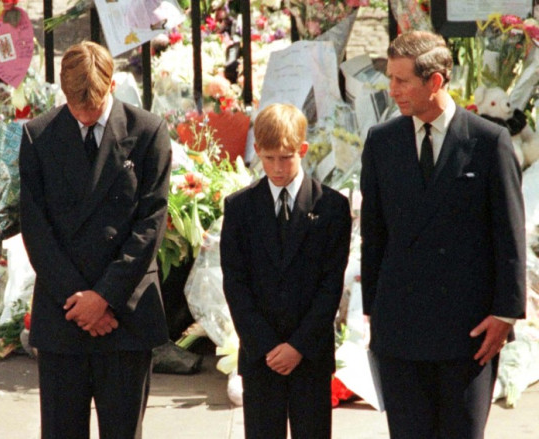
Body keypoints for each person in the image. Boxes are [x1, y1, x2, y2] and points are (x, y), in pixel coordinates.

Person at [360, 30, 526, 439]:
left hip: (468, 335)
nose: (392, 89)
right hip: (401, 334)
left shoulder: (490, 142)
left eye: (402, 80)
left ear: (435, 82)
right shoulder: (381, 143)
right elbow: (373, 236)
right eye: (390, 78)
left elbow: (510, 234)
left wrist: (505, 314)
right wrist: (374, 316)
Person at [19, 41, 171, 439]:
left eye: (95, 104)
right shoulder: (39, 136)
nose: (85, 114)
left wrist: (103, 298)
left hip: (125, 313)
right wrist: (78, 300)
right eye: (75, 104)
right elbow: (35, 227)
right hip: (63, 311)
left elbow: (150, 223)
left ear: (113, 86)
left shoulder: (147, 132)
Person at [220, 103, 352, 438]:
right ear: (257, 153)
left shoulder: (331, 207)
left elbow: (330, 287)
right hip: (260, 356)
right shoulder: (240, 208)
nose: (277, 168)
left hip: (310, 355)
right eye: (268, 158)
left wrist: (298, 346)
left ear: (303, 150)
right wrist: (265, 345)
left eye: (286, 157)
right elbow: (236, 285)